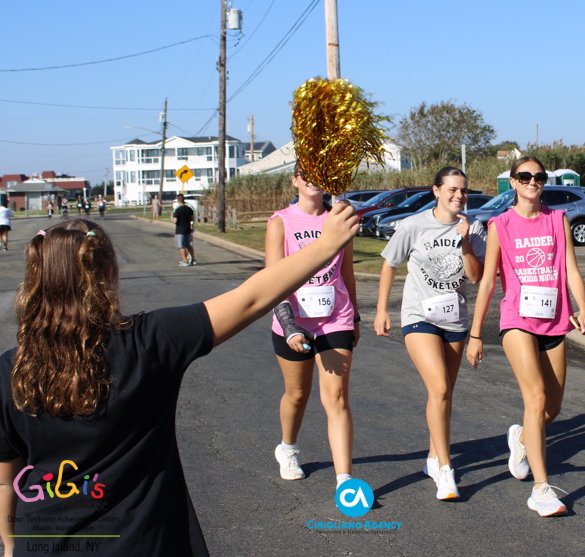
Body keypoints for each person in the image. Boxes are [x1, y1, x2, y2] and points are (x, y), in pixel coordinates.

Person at [0, 209, 359, 556]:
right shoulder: (149, 341)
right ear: (109, 273)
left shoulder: (10, 370)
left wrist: (10, 543)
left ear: (35, 279)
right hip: (144, 543)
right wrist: (326, 246)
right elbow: (251, 298)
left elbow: (6, 479)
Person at [467, 156, 585, 517]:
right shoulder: (500, 224)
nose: (532, 181)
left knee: (552, 408)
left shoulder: (558, 219)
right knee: (536, 399)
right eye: (524, 176)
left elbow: (570, 269)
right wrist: (475, 334)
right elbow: (487, 281)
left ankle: (521, 438)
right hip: (517, 321)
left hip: (554, 320)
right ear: (513, 182)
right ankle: (541, 489)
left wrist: (583, 308)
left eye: (538, 176)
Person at [374, 167, 486, 501]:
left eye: (463, 190)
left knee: (444, 393)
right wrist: (382, 310)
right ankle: (446, 470)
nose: (459, 196)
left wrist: (465, 241)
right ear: (436, 191)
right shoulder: (413, 225)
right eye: (452, 189)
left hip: (454, 320)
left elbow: (476, 277)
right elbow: (390, 264)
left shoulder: (474, 228)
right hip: (418, 316)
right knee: (438, 387)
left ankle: (433, 457)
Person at [266, 170, 360, 487]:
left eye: (318, 172)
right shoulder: (280, 222)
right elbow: (273, 281)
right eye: (304, 173)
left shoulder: (339, 218)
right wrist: (289, 326)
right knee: (297, 394)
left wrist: (355, 317)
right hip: (293, 321)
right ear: (294, 180)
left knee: (336, 397)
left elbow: (347, 272)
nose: (312, 179)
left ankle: (345, 480)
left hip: (335, 317)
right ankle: (288, 447)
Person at [172, 194, 197, 267]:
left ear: (178, 201)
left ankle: (185, 260)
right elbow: (192, 219)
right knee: (189, 245)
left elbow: (175, 221)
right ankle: (192, 259)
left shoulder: (178, 210)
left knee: (182, 246)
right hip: (188, 229)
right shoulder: (189, 209)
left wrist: (173, 218)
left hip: (180, 230)